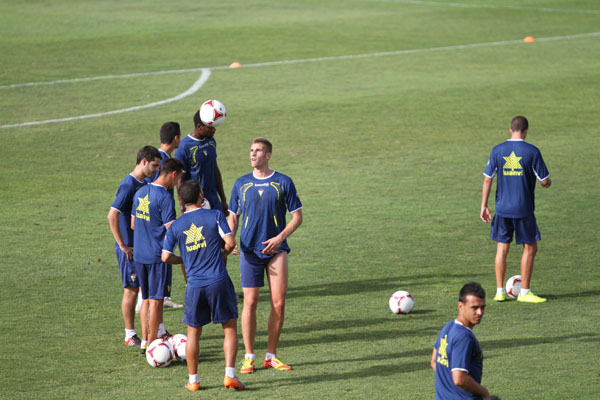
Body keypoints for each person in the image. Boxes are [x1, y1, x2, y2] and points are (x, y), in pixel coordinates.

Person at [228, 138, 303, 374]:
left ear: (268, 155)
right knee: (249, 303)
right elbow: (233, 216)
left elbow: (297, 217)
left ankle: (271, 356)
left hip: (276, 251)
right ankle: (249, 356)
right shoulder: (241, 183)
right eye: (251, 150)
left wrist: (279, 238)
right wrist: (230, 240)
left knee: (278, 304)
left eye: (258, 150)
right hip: (250, 251)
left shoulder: (283, 182)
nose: (253, 154)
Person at [162, 180, 245, 391]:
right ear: (201, 195)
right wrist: (223, 253)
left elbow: (164, 257)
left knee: (193, 334)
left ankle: (193, 381)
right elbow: (230, 242)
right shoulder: (215, 215)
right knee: (229, 329)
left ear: (181, 200)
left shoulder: (176, 225)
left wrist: (182, 260)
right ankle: (229, 376)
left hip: (194, 285)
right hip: (218, 279)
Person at [480, 116, 551, 303]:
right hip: (523, 209)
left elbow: (488, 178)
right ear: (526, 131)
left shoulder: (497, 150)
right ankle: (525, 292)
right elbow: (544, 180)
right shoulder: (532, 151)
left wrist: (484, 205)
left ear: (510, 130)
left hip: (502, 209)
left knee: (502, 248)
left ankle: (499, 292)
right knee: (530, 247)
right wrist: (547, 183)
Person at [107, 145, 161, 348]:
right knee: (131, 289)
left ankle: (155, 330)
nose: (156, 170)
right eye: (154, 166)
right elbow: (112, 215)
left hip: (140, 246)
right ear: (144, 161)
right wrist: (122, 245)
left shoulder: (144, 182)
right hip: (128, 248)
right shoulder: (128, 185)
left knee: (144, 288)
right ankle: (130, 334)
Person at [132, 158, 184, 353]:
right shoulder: (165, 197)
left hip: (139, 254)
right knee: (156, 300)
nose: (177, 183)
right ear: (173, 174)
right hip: (156, 256)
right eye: (178, 177)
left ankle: (145, 340)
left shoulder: (141, 192)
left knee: (145, 298)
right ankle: (153, 343)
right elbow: (172, 230)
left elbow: (133, 224)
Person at [134, 122, 184, 312]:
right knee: (153, 300)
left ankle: (148, 340)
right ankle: (155, 335)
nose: (155, 170)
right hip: (155, 238)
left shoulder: (163, 159)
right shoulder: (162, 163)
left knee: (149, 299)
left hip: (144, 244)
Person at [431, 282, 489, 399]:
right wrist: (484, 393)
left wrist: (448, 386)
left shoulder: (448, 327)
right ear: (460, 306)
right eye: (474, 307)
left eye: (482, 307)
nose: (480, 312)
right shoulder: (464, 337)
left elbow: (434, 361)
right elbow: (459, 379)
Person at [175, 109, 228, 215]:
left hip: (213, 200)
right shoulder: (184, 147)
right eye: (210, 127)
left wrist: (223, 200)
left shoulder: (211, 141)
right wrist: (183, 206)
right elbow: (180, 180)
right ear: (199, 127)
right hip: (196, 203)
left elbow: (215, 169)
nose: (214, 130)